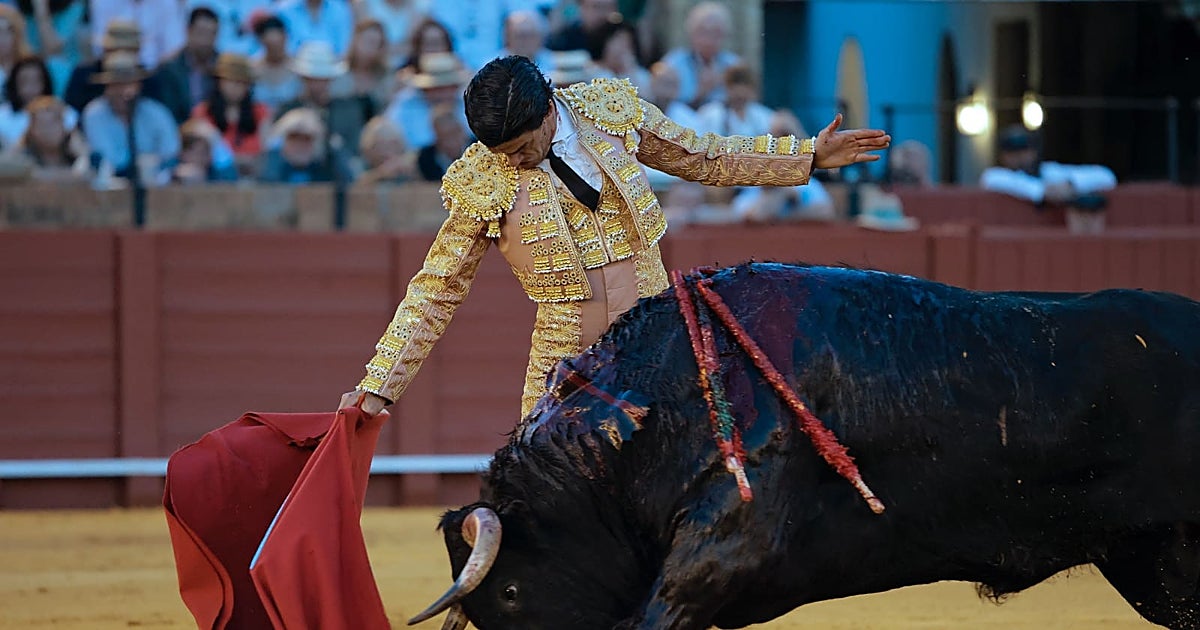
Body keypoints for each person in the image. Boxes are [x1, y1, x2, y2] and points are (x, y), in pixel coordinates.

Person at [337, 55, 890, 418]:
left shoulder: (609, 111)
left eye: (523, 147)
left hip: (656, 331)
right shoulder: (482, 177)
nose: (518, 161)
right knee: (545, 491)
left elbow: (706, 157)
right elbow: (437, 288)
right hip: (563, 353)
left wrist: (807, 155)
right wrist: (381, 384)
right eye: (504, 155)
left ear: (550, 108)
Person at [980, 124, 1116, 234]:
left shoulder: (1050, 171)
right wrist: (1042, 191)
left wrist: (1071, 184)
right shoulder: (997, 175)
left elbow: (1106, 176)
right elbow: (992, 180)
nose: (1019, 156)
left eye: (1024, 150)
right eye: (1012, 152)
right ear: (1003, 155)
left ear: (1034, 151)